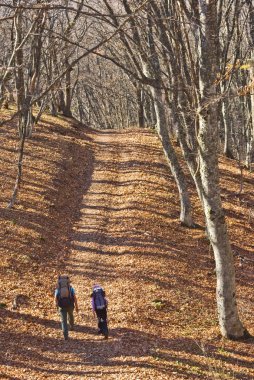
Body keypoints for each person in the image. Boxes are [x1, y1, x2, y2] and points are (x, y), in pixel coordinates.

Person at [55, 275, 79, 340]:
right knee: (71, 315)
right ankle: (72, 326)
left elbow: (55, 299)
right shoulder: (70, 288)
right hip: (70, 305)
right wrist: (76, 306)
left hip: (62, 306)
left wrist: (56, 306)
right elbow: (74, 297)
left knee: (63, 321)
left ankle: (65, 335)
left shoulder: (58, 289)